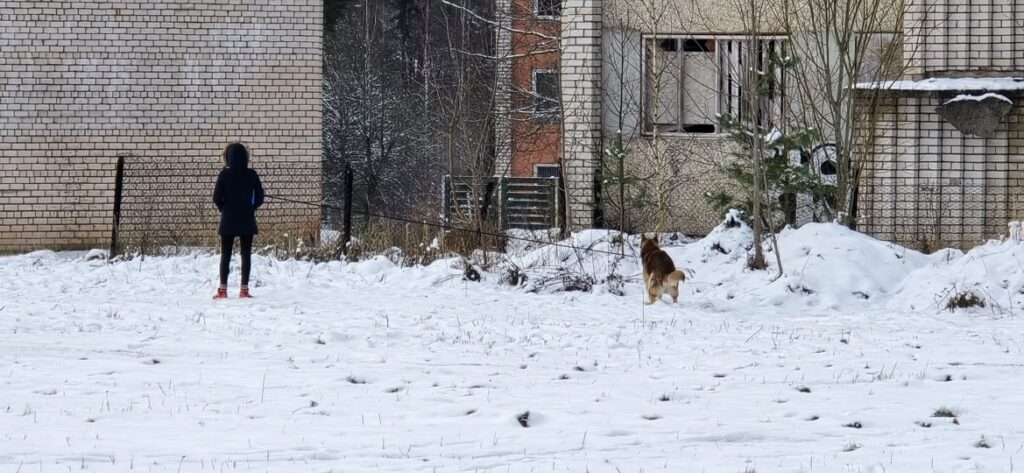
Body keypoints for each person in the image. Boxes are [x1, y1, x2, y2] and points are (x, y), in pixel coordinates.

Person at [213, 142, 265, 299]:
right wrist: (252, 207)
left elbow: (216, 198)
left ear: (227, 157)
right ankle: (244, 290)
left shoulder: (224, 174)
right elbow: (260, 196)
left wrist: (224, 209)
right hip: (247, 219)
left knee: (226, 255)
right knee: (246, 254)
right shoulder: (252, 174)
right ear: (245, 156)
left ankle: (223, 290)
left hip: (228, 219)